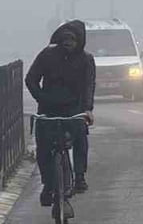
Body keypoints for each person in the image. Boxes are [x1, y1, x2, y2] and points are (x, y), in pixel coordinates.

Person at [26, 20, 95, 205]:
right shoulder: (47, 55)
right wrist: (42, 98)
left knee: (80, 136)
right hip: (48, 109)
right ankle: (48, 185)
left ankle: (79, 177)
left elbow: (89, 86)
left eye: (72, 40)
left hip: (74, 110)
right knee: (43, 146)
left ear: (80, 41)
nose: (68, 43)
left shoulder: (86, 59)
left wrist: (87, 109)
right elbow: (31, 79)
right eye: (65, 40)